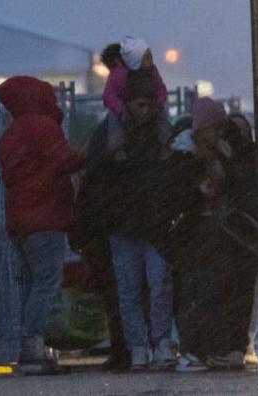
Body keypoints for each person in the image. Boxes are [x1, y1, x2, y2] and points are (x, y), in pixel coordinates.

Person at [0, 76, 85, 374]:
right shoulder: (42, 126)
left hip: (20, 221)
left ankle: (31, 350)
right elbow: (62, 160)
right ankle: (35, 351)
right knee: (47, 284)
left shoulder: (12, 133)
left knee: (31, 285)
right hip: (44, 217)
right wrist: (90, 155)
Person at [164, 98, 258, 372]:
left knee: (221, 291)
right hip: (197, 234)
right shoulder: (184, 157)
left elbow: (240, 184)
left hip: (221, 232)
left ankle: (220, 347)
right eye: (216, 128)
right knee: (203, 291)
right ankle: (198, 348)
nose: (219, 134)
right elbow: (176, 197)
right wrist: (198, 192)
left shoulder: (224, 154)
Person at [92, 70, 176, 371]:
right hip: (138, 223)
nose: (146, 110)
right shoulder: (161, 138)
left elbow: (95, 177)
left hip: (135, 222)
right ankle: (150, 343)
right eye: (140, 104)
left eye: (148, 104)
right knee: (147, 287)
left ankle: (147, 343)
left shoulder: (112, 136)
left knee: (150, 286)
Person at [101, 37, 168, 121]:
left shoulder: (151, 70)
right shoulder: (118, 73)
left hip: (148, 109)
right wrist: (122, 111)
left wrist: (158, 105)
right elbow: (109, 95)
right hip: (129, 111)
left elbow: (160, 89)